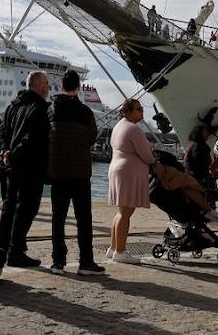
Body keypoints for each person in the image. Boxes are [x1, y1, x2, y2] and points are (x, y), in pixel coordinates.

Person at [46, 71, 105, 275]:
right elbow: (91, 138)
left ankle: (58, 262)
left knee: (58, 219)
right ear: (78, 87)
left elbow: (46, 139)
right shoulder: (85, 112)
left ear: (61, 85)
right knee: (83, 219)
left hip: (57, 173)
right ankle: (86, 262)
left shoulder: (50, 110)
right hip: (80, 174)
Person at [0, 71, 51, 267]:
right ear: (39, 85)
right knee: (27, 208)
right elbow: (32, 138)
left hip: (11, 165)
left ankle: (2, 246)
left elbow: (2, 133)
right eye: (46, 83)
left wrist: (5, 152)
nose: (49, 87)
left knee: (9, 205)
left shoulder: (13, 106)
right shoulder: (40, 108)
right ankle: (16, 250)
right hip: (30, 166)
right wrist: (12, 154)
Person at [106, 98, 158, 264]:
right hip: (128, 172)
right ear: (128, 111)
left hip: (117, 168)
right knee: (126, 213)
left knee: (121, 212)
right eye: (138, 109)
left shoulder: (119, 125)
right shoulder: (134, 129)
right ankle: (121, 251)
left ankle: (114, 248)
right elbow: (147, 155)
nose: (142, 112)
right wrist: (152, 154)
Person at [184, 124, 218, 208]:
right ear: (200, 133)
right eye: (205, 131)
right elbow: (199, 162)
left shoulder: (192, 144)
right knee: (202, 202)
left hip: (192, 177)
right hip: (199, 178)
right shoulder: (199, 146)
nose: (207, 133)